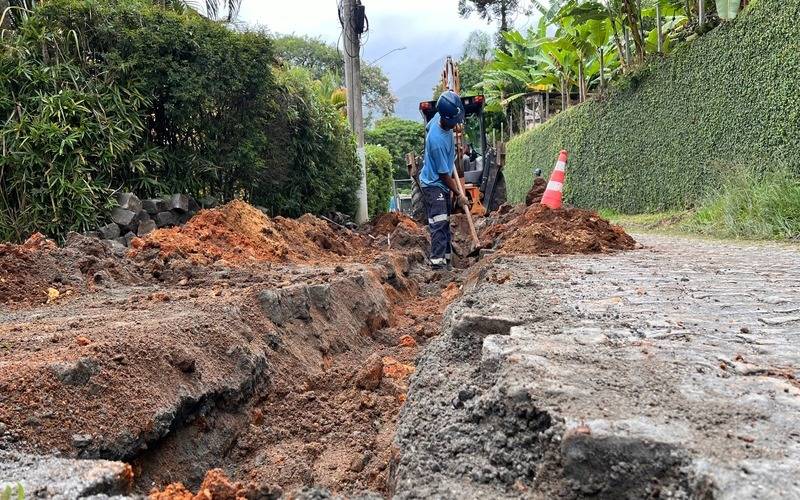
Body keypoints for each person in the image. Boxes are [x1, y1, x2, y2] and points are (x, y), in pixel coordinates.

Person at [419, 90, 468, 270]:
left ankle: (447, 262)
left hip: (441, 182)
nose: (457, 124)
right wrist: (459, 193)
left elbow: (427, 126)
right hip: (433, 184)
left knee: (445, 222)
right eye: (455, 121)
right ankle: (438, 267)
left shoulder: (439, 116)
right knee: (439, 223)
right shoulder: (436, 141)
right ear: (447, 119)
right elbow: (444, 176)